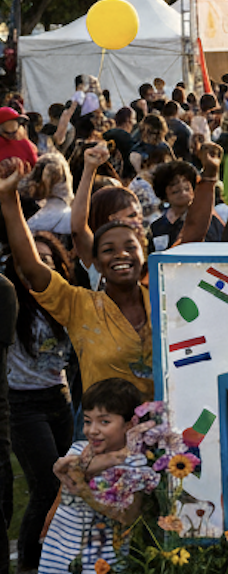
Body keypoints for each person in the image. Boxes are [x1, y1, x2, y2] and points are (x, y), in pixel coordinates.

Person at [3, 232, 72, 574]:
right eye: (31, 258)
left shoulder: (66, 300)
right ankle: (28, 565)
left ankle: (59, 558)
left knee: (70, 486)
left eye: (48, 258)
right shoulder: (11, 301)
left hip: (60, 397)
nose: (39, 263)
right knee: (46, 487)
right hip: (23, 405)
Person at [39, 378, 147, 574]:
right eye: (87, 421)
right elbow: (66, 472)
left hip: (102, 564)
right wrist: (113, 458)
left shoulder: (135, 464)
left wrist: (85, 492)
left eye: (104, 421)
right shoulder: (79, 449)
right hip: (58, 557)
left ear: (130, 424)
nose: (92, 430)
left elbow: (128, 517)